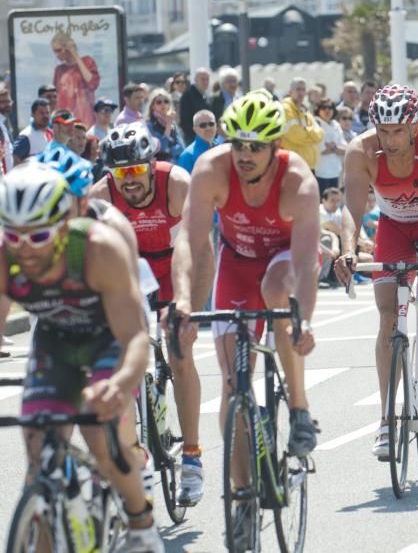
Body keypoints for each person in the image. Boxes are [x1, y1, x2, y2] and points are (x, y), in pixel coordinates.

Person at [0, 163, 165, 550]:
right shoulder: (5, 258)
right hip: (55, 341)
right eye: (14, 236)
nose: (26, 249)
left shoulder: (99, 249)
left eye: (39, 235)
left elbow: (134, 337)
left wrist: (120, 385)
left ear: (64, 224)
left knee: (99, 438)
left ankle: (141, 525)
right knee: (38, 455)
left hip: (108, 338)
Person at [171, 93, 320, 497]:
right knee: (233, 383)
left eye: (256, 146)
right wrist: (182, 300)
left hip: (284, 260)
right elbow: (189, 240)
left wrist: (303, 320)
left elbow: (307, 264)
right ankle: (242, 495)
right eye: (238, 144)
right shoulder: (210, 169)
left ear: (276, 147)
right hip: (237, 262)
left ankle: (300, 408)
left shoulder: (298, 181)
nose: (245, 155)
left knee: (275, 289)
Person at [332, 85, 418, 458]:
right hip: (392, 226)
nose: (389, 140)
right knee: (388, 319)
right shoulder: (361, 150)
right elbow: (353, 209)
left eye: (397, 132)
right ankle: (388, 419)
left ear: (414, 126)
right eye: (383, 131)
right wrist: (348, 250)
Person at [90, 120, 205, 506]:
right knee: (118, 354)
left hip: (176, 265)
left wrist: (189, 305)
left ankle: (191, 457)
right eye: (121, 173)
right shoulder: (101, 196)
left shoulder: (177, 183)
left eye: (138, 170)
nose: (130, 181)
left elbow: (197, 247)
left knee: (180, 351)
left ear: (151, 164)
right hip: (131, 270)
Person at [51, 31, 100, 125]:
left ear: (67, 48)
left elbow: (92, 83)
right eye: (55, 52)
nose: (57, 55)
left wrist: (75, 55)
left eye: (59, 50)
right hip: (64, 118)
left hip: (84, 117)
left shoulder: (87, 61)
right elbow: (55, 96)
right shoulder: (59, 70)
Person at [281, 77, 324, 171]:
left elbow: (320, 134)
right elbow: (297, 136)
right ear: (290, 92)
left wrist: (307, 131)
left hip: (309, 166)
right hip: (293, 167)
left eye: (303, 90)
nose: (301, 93)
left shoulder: (304, 110)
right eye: (298, 89)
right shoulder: (285, 109)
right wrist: (313, 137)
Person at [314, 99, 345, 192]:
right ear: (318, 110)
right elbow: (320, 150)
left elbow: (345, 149)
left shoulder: (336, 125)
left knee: (334, 203)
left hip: (335, 172)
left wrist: (332, 147)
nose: (327, 110)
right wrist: (335, 148)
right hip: (319, 172)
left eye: (330, 108)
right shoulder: (314, 123)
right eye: (323, 108)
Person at [145, 88, 184, 163]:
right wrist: (168, 126)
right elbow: (161, 148)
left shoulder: (173, 124)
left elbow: (182, 147)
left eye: (166, 101)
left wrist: (170, 150)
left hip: (175, 163)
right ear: (153, 106)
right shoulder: (149, 125)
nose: (163, 104)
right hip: (159, 165)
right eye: (159, 102)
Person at [13, 98, 53, 163]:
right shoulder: (26, 136)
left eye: (47, 113)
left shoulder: (51, 133)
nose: (45, 116)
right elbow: (16, 159)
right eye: (41, 113)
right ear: (32, 114)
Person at [179, 67, 212, 144]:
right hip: (193, 139)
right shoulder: (188, 95)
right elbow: (185, 121)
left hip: (205, 137)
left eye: (207, 79)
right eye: (203, 79)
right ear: (195, 80)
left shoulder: (205, 95)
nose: (205, 82)